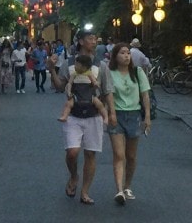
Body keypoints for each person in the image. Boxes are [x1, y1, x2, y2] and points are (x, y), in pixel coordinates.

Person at [48, 29, 114, 205]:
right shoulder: (69, 63)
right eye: (91, 38)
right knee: (72, 152)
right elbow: (60, 86)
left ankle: (85, 191)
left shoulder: (101, 65)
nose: (94, 41)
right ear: (81, 41)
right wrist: (51, 69)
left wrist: (111, 114)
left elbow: (107, 91)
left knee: (91, 154)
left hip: (93, 114)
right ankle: (74, 176)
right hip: (74, 115)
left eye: (95, 38)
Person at [106, 42, 152, 205]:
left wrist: (147, 116)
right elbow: (108, 94)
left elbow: (145, 95)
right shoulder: (110, 73)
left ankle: (127, 186)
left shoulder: (137, 72)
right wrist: (110, 114)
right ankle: (119, 190)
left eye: (128, 53)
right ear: (115, 57)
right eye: (122, 53)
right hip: (116, 115)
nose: (126, 56)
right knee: (119, 154)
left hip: (134, 115)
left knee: (131, 156)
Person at [58, 54, 108, 124]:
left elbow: (94, 81)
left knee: (100, 104)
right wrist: (69, 91)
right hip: (77, 93)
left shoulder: (89, 73)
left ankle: (105, 117)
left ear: (84, 67)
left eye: (77, 65)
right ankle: (65, 115)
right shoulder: (74, 74)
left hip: (89, 93)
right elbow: (69, 83)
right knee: (68, 104)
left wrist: (96, 84)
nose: (74, 66)